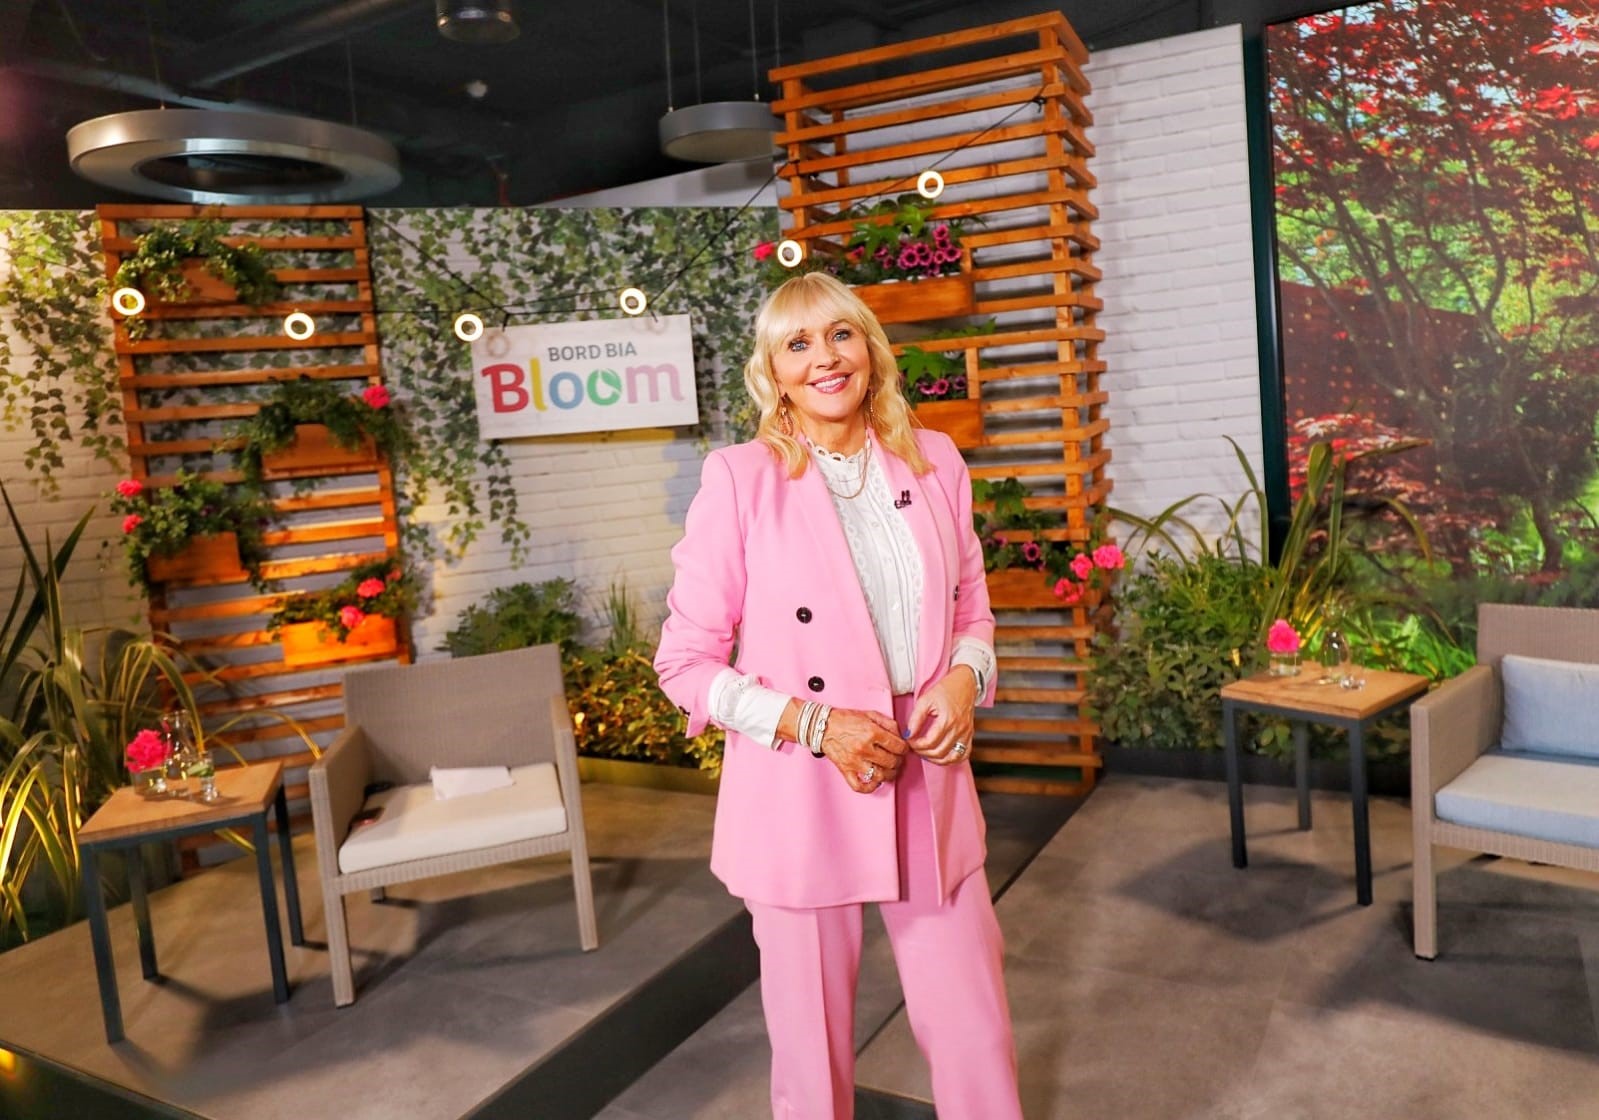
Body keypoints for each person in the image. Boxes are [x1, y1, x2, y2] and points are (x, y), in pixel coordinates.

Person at [655, 271, 1024, 1119]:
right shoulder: (740, 479)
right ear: (774, 373)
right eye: (798, 343)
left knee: (972, 1021)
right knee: (811, 1048)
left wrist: (964, 678)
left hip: (925, 762)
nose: (824, 358)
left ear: (870, 350)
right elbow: (684, 663)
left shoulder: (933, 459)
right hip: (802, 775)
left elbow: (971, 606)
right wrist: (816, 724)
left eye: (840, 335)